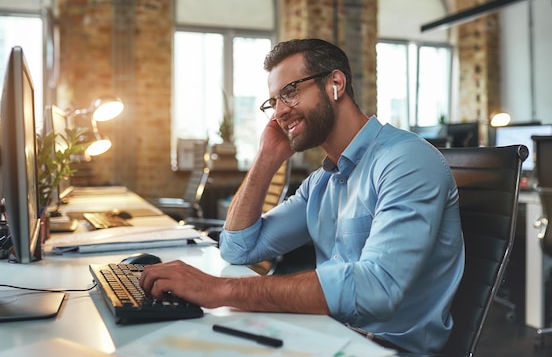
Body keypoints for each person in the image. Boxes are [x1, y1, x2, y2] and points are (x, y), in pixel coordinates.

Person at [140, 38, 464, 355]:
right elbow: (238, 248)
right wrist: (266, 156)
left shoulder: (405, 160)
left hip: (383, 347)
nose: (279, 112)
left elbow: (375, 290)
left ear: (335, 83)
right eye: (273, 102)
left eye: (290, 93)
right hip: (327, 334)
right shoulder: (321, 182)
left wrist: (219, 289)